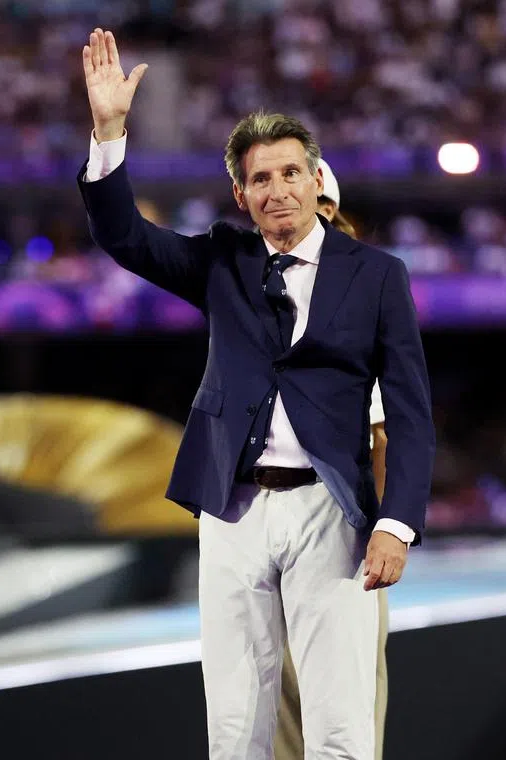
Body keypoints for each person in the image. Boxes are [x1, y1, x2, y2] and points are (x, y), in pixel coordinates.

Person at [78, 30, 434, 759]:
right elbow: (123, 237)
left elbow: (410, 411)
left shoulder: (377, 275)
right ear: (241, 195)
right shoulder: (222, 261)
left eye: (290, 173)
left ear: (314, 179)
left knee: (341, 724)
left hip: (329, 511)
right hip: (234, 505)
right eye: (261, 179)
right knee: (235, 724)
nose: (278, 190)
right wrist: (109, 131)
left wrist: (397, 525)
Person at [273, 158, 390, 760]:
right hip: (280, 526)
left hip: (340, 532)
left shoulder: (356, 305)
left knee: (341, 708)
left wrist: (380, 530)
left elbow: (382, 436)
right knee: (288, 707)